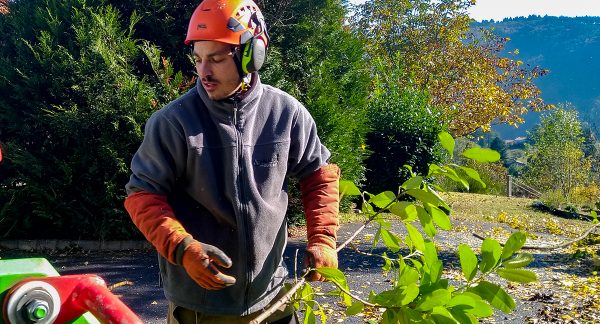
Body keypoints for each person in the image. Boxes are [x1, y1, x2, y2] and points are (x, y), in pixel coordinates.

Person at [123, 0, 340, 323]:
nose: (204, 72)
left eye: (216, 59)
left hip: (273, 297)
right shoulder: (174, 123)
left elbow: (318, 175)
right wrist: (183, 247)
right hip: (200, 305)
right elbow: (142, 197)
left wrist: (323, 238)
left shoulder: (287, 114)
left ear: (253, 55)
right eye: (198, 59)